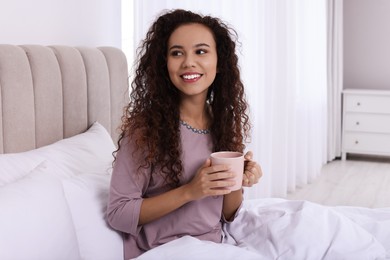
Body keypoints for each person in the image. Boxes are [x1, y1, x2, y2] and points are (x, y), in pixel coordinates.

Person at [106, 9, 262, 259]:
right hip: (164, 250)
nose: (189, 62)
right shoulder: (146, 129)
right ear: (164, 64)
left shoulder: (224, 121)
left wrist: (238, 179)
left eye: (201, 51)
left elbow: (228, 214)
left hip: (215, 245)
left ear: (219, 62)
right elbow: (118, 213)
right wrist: (190, 191)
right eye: (177, 53)